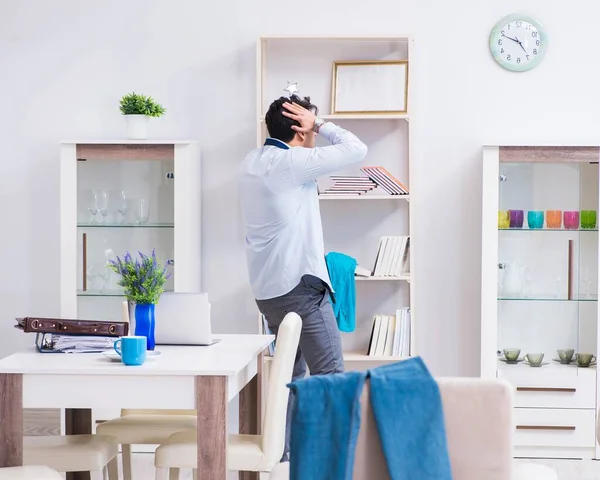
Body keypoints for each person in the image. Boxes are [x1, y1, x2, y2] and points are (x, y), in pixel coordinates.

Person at [238, 94, 368, 460]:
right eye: (309, 124)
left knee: (290, 379)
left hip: (268, 291)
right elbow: (356, 148)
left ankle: (285, 457)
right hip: (300, 289)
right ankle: (330, 462)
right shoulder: (291, 163)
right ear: (299, 128)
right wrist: (321, 125)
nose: (313, 130)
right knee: (331, 377)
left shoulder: (250, 162)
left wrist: (310, 123)